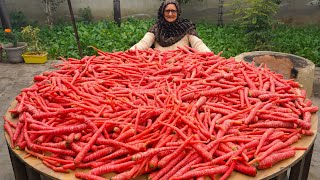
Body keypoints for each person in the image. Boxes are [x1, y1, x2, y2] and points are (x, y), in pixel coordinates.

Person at [130, 0, 211, 52]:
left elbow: (198, 44)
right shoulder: (156, 28)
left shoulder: (186, 27)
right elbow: (144, 43)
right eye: (167, 11)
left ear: (178, 12)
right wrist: (131, 51)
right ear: (162, 12)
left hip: (183, 66)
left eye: (173, 11)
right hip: (159, 67)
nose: (170, 14)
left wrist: (208, 54)